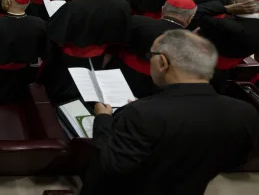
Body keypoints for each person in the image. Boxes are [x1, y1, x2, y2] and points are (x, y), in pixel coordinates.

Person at [82, 30, 258, 195]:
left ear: (162, 62)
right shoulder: (245, 113)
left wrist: (104, 119)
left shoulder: (141, 114)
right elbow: (234, 162)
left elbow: (111, 164)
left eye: (150, 55)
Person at [43, 0, 131, 103]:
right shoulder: (122, 6)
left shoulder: (72, 7)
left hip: (69, 63)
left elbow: (53, 36)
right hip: (102, 60)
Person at [110, 0, 197, 99]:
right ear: (190, 17)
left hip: (122, 71)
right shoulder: (190, 40)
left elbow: (116, 42)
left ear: (163, 9)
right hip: (157, 84)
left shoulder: (137, 21)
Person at [193, 0, 259, 90]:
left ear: (236, 3)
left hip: (200, 67)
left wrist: (226, 8)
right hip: (226, 74)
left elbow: (194, 12)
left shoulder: (224, 25)